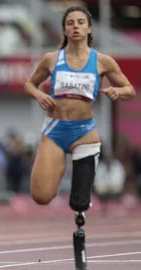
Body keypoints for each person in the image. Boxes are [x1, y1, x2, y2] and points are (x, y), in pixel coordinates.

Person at [23, 6, 135, 268]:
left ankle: (81, 198)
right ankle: (60, 168)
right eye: (70, 22)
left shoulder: (102, 61)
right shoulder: (52, 59)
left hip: (85, 132)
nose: (75, 26)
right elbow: (30, 84)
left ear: (89, 28)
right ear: (64, 29)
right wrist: (39, 95)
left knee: (78, 202)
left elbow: (129, 88)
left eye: (80, 22)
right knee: (41, 196)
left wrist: (119, 93)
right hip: (54, 130)